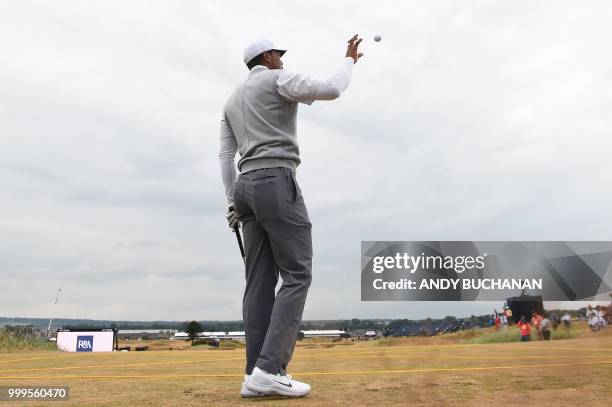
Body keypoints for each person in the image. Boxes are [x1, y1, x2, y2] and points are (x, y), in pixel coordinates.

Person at [219, 35, 363, 398]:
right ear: (266, 57)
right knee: (298, 273)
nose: (282, 61)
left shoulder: (232, 99)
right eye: (278, 55)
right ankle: (269, 368)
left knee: (258, 282)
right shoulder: (276, 79)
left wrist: (232, 202)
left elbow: (225, 156)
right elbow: (332, 88)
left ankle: (254, 373)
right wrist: (349, 61)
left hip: (244, 188)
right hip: (276, 180)